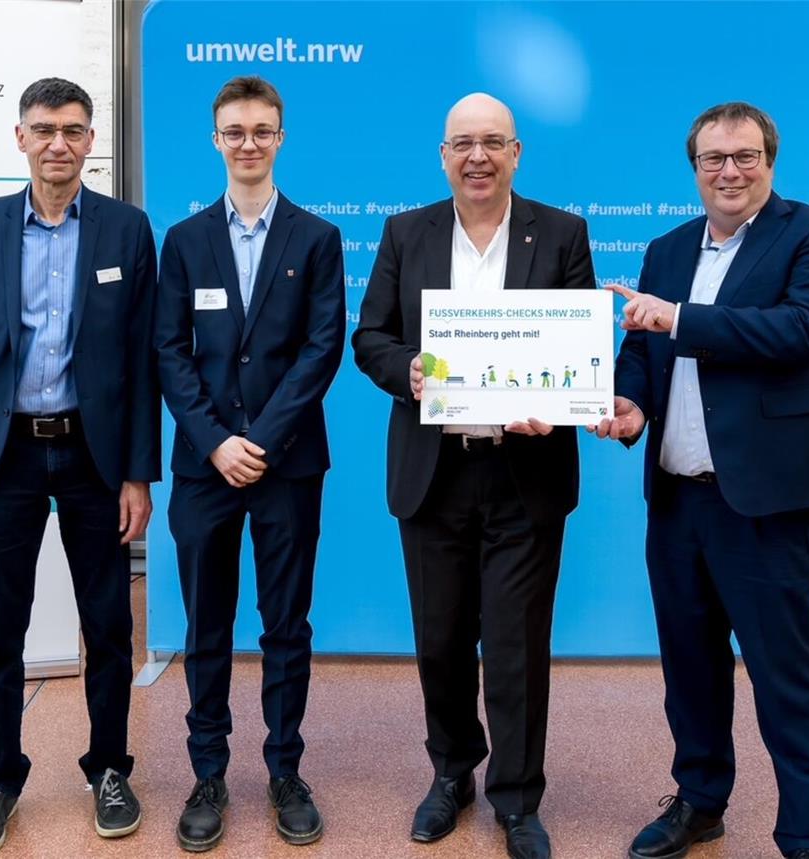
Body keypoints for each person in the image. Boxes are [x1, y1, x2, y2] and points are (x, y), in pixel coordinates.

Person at [592, 101, 809, 859]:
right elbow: (641, 354)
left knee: (787, 679)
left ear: (770, 161)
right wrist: (629, 403)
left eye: (745, 156)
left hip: (768, 504)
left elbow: (800, 331)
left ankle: (805, 835)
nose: (730, 171)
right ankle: (701, 800)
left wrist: (677, 319)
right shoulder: (667, 248)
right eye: (714, 159)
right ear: (695, 168)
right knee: (691, 669)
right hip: (678, 500)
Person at [353, 92, 593, 859]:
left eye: (493, 142)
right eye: (463, 143)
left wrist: (554, 404)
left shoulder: (561, 233)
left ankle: (518, 797)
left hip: (526, 472)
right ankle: (452, 772)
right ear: (443, 155)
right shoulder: (406, 232)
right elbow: (371, 337)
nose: (478, 156)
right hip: (435, 472)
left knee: (519, 644)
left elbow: (580, 346)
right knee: (442, 638)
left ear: (517, 152)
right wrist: (409, 370)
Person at [0, 77, 159, 858]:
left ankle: (109, 767)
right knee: (0, 628)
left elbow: (140, 360)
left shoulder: (127, 231)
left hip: (95, 459)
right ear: (20, 138)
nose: (58, 143)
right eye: (44, 129)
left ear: (91, 140)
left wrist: (139, 473)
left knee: (108, 623)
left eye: (72, 129)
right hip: (8, 461)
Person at [154, 75, 345, 851]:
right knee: (206, 625)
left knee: (285, 625)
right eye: (235, 131)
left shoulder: (316, 237)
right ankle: (208, 773)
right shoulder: (186, 239)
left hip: (287, 466)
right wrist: (215, 441)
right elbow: (169, 351)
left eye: (262, 130)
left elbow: (321, 348)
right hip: (205, 468)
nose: (248, 143)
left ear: (281, 138)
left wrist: (257, 439)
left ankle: (284, 769)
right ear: (216, 139)